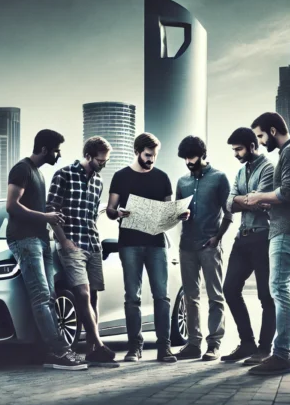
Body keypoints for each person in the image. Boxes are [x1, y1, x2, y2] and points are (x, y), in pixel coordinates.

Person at [5, 129, 87, 370]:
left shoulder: (38, 174)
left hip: (41, 240)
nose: (59, 155)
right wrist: (46, 216)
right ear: (44, 149)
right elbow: (11, 205)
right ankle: (60, 352)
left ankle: (48, 350)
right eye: (57, 150)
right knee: (41, 296)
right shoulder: (22, 169)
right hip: (25, 239)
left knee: (49, 297)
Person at [245, 112, 290, 375]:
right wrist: (267, 201)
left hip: (286, 232)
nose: (261, 142)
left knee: (278, 288)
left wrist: (257, 197)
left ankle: (281, 354)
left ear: (273, 131)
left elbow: (288, 191)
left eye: (261, 136)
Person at [106, 133, 177, 363]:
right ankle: (134, 347)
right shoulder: (120, 177)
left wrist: (178, 214)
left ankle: (164, 348)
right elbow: (109, 210)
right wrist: (118, 213)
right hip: (130, 244)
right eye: (148, 155)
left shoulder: (163, 178)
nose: (151, 160)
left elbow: (168, 212)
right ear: (137, 152)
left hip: (157, 244)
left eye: (154, 156)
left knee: (162, 297)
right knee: (132, 298)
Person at [47, 136, 118, 366]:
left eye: (106, 161)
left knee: (94, 295)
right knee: (83, 294)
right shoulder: (63, 174)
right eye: (100, 161)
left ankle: (91, 350)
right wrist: (64, 241)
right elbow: (51, 210)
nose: (103, 165)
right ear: (88, 155)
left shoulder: (98, 181)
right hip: (72, 244)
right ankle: (99, 344)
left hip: (93, 244)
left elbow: (92, 215)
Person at [173, 135, 232, 361]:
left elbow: (228, 213)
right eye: (185, 158)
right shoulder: (182, 182)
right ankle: (193, 344)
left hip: (209, 245)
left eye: (192, 157)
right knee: (190, 297)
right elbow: (176, 213)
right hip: (186, 246)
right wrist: (179, 214)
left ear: (203, 155)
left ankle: (214, 344)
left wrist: (217, 238)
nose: (188, 161)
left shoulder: (219, 178)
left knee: (215, 296)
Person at [221, 127, 276, 365]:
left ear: (252, 146)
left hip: (263, 237)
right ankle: (247, 343)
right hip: (242, 237)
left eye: (239, 149)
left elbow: (261, 199)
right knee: (230, 289)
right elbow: (229, 204)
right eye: (234, 150)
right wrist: (248, 199)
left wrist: (249, 199)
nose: (236, 154)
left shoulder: (269, 168)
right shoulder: (241, 172)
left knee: (266, 295)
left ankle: (265, 349)